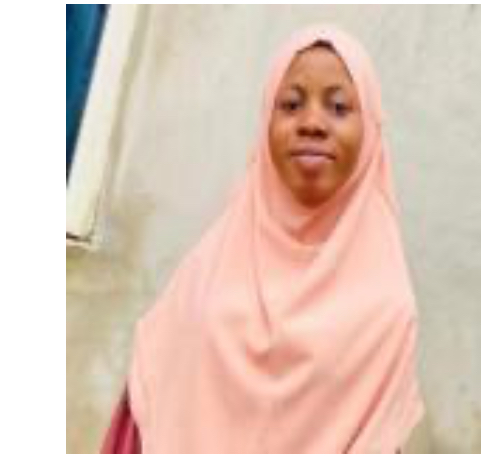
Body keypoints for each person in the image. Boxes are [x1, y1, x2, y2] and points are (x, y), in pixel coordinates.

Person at [101, 24, 425, 454]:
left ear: (370, 131)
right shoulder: (206, 275)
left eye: (339, 107)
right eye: (290, 104)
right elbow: (146, 411)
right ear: (266, 121)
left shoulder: (387, 309)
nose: (312, 123)